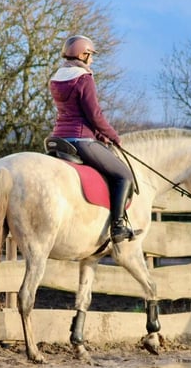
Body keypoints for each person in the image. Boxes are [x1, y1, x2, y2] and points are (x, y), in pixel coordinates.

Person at [48, 34, 137, 243]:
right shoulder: (83, 78)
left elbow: (74, 111)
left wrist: (99, 135)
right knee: (124, 175)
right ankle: (117, 227)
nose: (93, 60)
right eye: (91, 55)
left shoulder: (56, 78)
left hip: (58, 138)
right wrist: (112, 136)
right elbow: (94, 114)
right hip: (81, 141)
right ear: (83, 54)